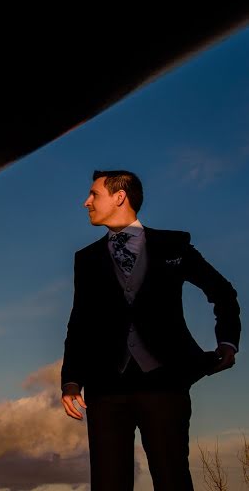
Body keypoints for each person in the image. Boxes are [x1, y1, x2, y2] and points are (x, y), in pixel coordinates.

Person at [60, 170, 240, 491]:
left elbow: (222, 291)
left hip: (165, 382)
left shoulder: (174, 245)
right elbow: (80, 321)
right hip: (105, 387)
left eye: (94, 194)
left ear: (119, 197)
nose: (86, 202)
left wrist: (227, 341)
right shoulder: (85, 259)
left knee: (172, 479)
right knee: (109, 484)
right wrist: (71, 380)